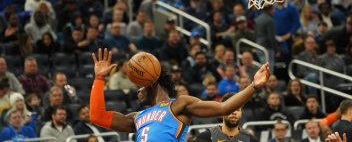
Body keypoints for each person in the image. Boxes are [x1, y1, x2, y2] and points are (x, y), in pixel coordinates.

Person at [89, 48, 270, 142]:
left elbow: (224, 107)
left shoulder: (179, 105)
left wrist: (254, 86)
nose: (137, 92)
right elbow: (97, 116)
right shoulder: (136, 118)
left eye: (140, 86)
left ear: (152, 83)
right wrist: (98, 79)